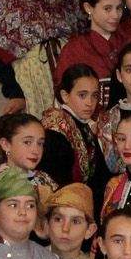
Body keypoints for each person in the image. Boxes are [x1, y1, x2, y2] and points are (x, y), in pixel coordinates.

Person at [40, 64, 107, 192]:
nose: (90, 103)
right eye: (82, 95)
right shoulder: (55, 130)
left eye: (95, 95)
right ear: (65, 96)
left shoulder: (83, 124)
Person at [55, 0, 130, 93]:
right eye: (107, 9)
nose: (115, 15)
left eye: (119, 8)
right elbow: (63, 92)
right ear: (88, 8)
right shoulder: (74, 51)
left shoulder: (128, 43)